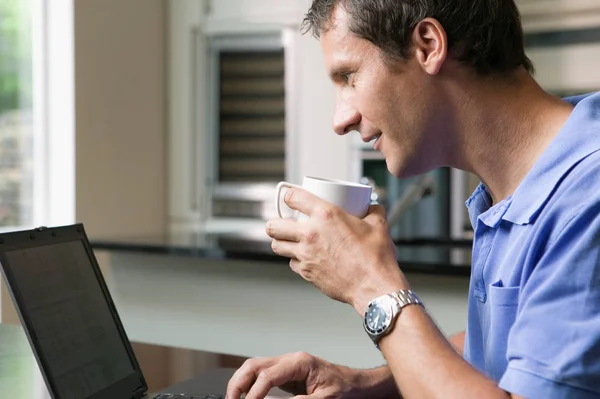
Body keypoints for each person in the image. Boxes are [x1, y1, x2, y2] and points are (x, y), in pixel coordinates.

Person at [226, 0, 600, 398]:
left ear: (427, 46)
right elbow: (507, 352)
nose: (340, 120)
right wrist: (365, 382)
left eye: (349, 77)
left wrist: (372, 285)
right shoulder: (513, 190)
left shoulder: (587, 199)